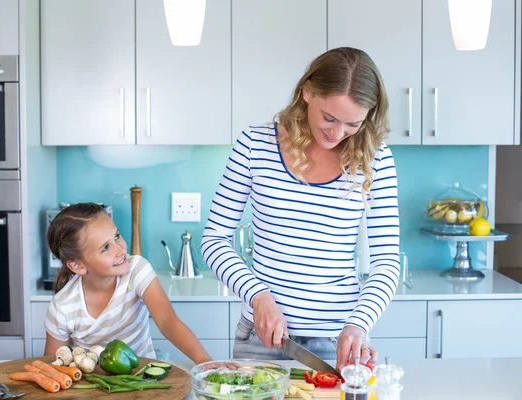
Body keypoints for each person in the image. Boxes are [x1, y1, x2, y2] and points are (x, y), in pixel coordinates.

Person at [201, 47, 400, 371]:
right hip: (262, 338)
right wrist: (258, 296)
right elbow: (213, 240)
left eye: (352, 123)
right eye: (329, 118)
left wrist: (359, 323)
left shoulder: (376, 159)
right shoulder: (254, 145)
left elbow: (386, 261)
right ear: (307, 91)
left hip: (337, 343)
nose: (337, 134)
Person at [43, 202, 215, 365]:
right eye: (105, 248)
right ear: (78, 265)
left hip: (141, 379)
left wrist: (203, 360)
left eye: (117, 236)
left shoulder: (136, 271)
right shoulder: (62, 306)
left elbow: (167, 321)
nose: (121, 249)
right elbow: (54, 363)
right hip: (92, 387)